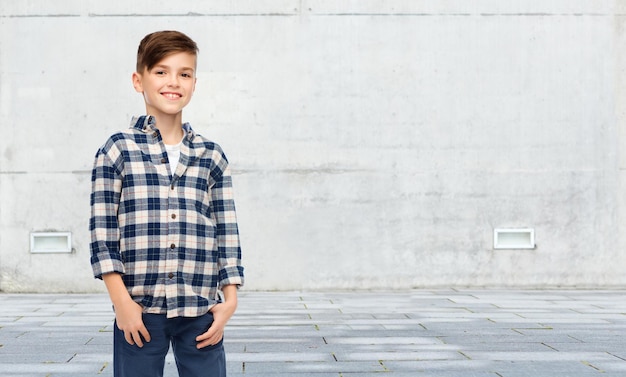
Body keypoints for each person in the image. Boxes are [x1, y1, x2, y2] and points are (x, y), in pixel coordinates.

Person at [89, 30, 244, 377]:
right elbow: (103, 236)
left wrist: (229, 300)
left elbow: (226, 232)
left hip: (201, 310)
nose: (173, 82)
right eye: (161, 71)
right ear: (138, 79)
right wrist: (122, 304)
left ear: (194, 82)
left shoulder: (211, 155)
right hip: (139, 310)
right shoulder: (117, 150)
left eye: (184, 73)